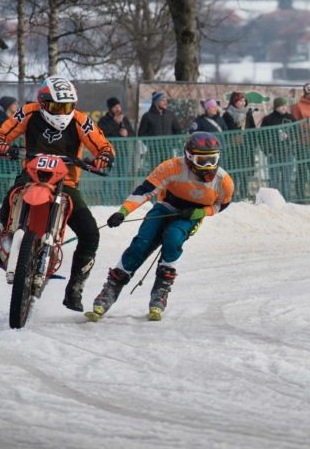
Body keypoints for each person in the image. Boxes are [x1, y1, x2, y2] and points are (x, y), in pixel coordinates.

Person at [0, 77, 115, 312]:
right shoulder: (28, 112)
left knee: (90, 232)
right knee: (11, 198)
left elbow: (103, 145)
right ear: (43, 102)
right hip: (32, 174)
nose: (61, 112)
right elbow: (2, 132)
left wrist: (104, 157)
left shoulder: (81, 120)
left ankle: (75, 288)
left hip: (65, 182)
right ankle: (1, 247)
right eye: (56, 106)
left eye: (67, 107)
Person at [89, 132, 234, 322]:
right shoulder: (171, 167)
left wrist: (200, 212)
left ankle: (160, 291)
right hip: (165, 207)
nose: (208, 167)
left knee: (173, 238)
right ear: (189, 157)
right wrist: (123, 212)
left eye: (212, 160)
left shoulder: (224, 181)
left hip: (192, 215)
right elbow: (145, 190)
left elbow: (221, 204)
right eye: (202, 160)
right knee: (141, 244)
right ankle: (111, 289)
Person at [222, 92, 257, 201]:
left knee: (244, 173)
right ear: (234, 102)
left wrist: (253, 144)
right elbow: (227, 130)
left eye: (244, 101)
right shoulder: (227, 115)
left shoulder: (248, 114)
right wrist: (239, 128)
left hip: (246, 148)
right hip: (233, 149)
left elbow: (253, 130)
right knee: (233, 173)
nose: (243, 103)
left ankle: (243, 195)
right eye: (240, 101)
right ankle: (232, 196)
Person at [259, 97, 296, 199]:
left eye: (285, 105)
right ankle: (273, 199)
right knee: (274, 178)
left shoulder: (290, 118)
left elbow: (298, 132)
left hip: (287, 152)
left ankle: (286, 199)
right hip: (273, 153)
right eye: (281, 106)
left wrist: (288, 136)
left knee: (286, 178)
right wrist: (267, 152)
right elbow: (261, 137)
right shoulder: (268, 119)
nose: (284, 108)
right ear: (276, 107)